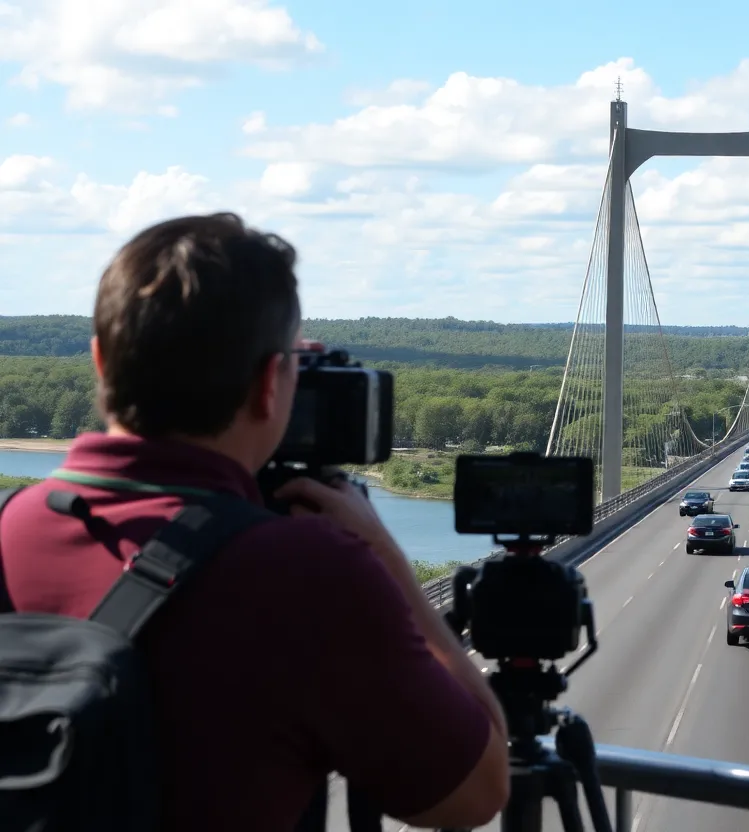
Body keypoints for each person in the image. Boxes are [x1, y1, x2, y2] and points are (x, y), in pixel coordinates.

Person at [0, 214, 510, 831]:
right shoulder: (307, 573)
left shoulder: (10, 527)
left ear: (101, 363)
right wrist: (385, 560)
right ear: (271, 385)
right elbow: (477, 790)